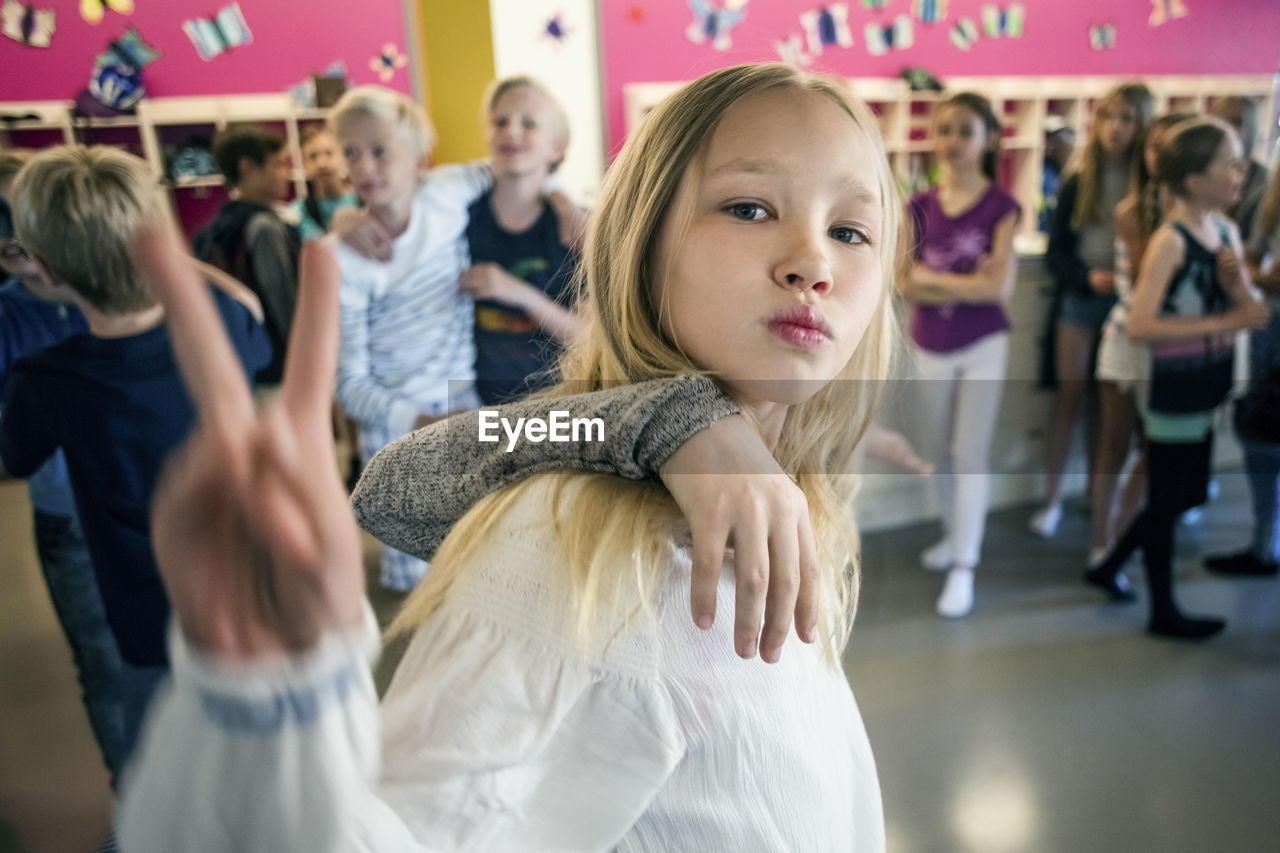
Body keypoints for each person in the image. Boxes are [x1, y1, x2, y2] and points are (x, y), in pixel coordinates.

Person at [119, 62, 903, 850]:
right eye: (749, 207)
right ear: (641, 241)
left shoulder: (793, 500)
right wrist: (273, 710)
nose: (814, 262)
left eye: (851, 230)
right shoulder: (573, 556)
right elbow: (402, 479)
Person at [0, 145, 271, 762]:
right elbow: (251, 310)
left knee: (152, 738)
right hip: (244, 580)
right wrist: (170, 261)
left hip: (142, 611)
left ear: (43, 267)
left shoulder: (46, 381)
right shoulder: (224, 319)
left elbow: (15, 458)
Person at [1085, 118, 1270, 638]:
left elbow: (1251, 311)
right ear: (1194, 179)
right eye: (1230, 164)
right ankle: (1163, 611)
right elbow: (1142, 323)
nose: (1242, 172)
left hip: (1206, 383)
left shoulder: (1227, 231)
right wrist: (1228, 318)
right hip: (1170, 387)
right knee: (1168, 500)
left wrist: (1237, 291)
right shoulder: (1171, 240)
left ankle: (1107, 566)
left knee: (1188, 494)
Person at [0, 154, 128, 785]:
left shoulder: (118, 293)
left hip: (145, 502)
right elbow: (16, 451)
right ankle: (136, 796)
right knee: (104, 661)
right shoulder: (11, 319)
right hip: (68, 515)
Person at [899, 92, 1020, 618]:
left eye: (965, 130)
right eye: (944, 130)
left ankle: (963, 567)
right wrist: (960, 282)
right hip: (931, 343)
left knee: (969, 454)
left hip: (984, 343)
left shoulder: (1003, 207)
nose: (952, 142)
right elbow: (903, 283)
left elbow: (998, 290)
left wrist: (932, 279)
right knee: (941, 452)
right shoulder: (917, 208)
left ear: (989, 138)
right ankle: (953, 535)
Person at [1032, 83, 1152, 539]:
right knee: (1070, 399)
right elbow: (1055, 253)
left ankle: (1097, 499)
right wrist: (1085, 277)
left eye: (1126, 119)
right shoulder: (1080, 180)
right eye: (1108, 117)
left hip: (1129, 306)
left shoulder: (1149, 185)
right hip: (1082, 301)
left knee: (1111, 411)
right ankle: (1052, 500)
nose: (1115, 129)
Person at [1090, 112, 1193, 583]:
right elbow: (1157, 279)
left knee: (1155, 453)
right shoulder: (1135, 210)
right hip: (1127, 342)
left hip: (1170, 351)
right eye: (1154, 147)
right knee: (1113, 446)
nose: (1159, 157)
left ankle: (1125, 538)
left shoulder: (1200, 218)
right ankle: (1101, 542)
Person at [464, 76, 582, 404]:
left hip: (555, 407)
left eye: (528, 123)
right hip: (474, 409)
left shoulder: (576, 229)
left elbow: (590, 337)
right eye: (500, 121)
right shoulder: (460, 218)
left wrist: (520, 294)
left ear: (556, 148)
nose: (511, 131)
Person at [1203, 144, 1280, 577]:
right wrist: (1255, 277)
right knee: (1263, 432)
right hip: (1271, 327)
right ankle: (1263, 540)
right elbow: (1253, 255)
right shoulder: (1272, 195)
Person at [197, 126, 300, 383]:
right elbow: (285, 304)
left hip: (242, 362)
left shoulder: (212, 231)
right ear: (247, 167)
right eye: (277, 164)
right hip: (280, 366)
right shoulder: (263, 227)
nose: (285, 174)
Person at [1209, 95, 1267, 240]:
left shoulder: (1262, 179)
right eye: (1222, 121)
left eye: (1237, 122)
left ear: (1251, 128)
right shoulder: (1201, 171)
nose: (1229, 129)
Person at [290, 126, 359, 242]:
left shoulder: (363, 201)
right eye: (313, 156)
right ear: (303, 163)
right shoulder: (298, 212)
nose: (322, 163)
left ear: (342, 156)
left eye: (328, 153)